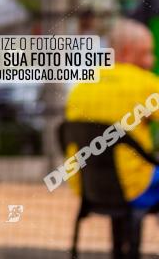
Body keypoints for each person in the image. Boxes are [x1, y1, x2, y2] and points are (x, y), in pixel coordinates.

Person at [66, 18, 159, 207]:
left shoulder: (81, 85)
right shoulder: (146, 83)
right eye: (146, 53)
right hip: (134, 188)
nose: (152, 60)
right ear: (125, 51)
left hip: (85, 187)